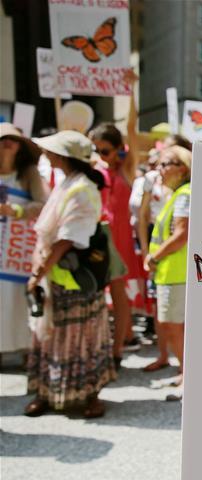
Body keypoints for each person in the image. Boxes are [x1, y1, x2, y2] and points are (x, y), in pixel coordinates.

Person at [25, 130, 115, 418]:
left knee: (81, 337)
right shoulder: (69, 182)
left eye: (51, 150)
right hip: (60, 275)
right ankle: (48, 392)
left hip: (75, 277)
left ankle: (90, 395)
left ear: (63, 156)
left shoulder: (82, 188)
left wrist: (39, 271)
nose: (46, 154)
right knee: (55, 335)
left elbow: (67, 239)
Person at [89, 82, 142, 367]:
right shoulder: (92, 170)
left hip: (118, 241)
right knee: (96, 297)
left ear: (118, 149)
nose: (101, 155)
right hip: (95, 238)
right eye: (96, 149)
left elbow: (132, 127)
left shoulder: (126, 169)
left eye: (105, 150)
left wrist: (131, 89)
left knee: (120, 298)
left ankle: (117, 351)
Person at [143, 146, 191, 395]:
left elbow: (182, 234)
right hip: (171, 271)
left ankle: (188, 377)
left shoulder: (184, 195)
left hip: (176, 272)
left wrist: (154, 256)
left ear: (182, 168)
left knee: (174, 325)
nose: (159, 169)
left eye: (165, 164)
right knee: (173, 324)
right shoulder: (179, 194)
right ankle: (185, 372)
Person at [0, 123, 48, 359]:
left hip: (18, 248)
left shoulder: (29, 173)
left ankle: (27, 351)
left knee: (19, 298)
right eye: (3, 139)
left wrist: (17, 211)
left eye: (13, 140)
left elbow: (43, 204)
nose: (8, 143)